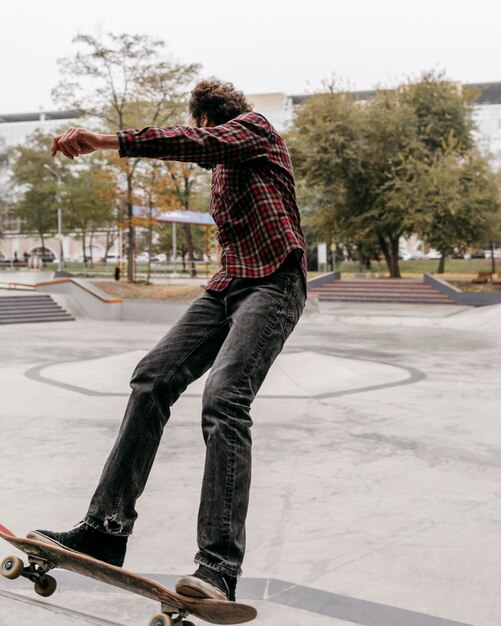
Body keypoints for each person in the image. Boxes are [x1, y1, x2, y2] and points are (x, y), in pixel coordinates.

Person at [29, 80, 307, 602]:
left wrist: (106, 141)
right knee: (152, 376)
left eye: (201, 125)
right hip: (229, 287)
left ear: (208, 118)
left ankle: (218, 568)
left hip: (275, 284)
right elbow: (204, 154)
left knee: (225, 399)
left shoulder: (254, 131)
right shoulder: (225, 164)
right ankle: (105, 530)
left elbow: (196, 143)